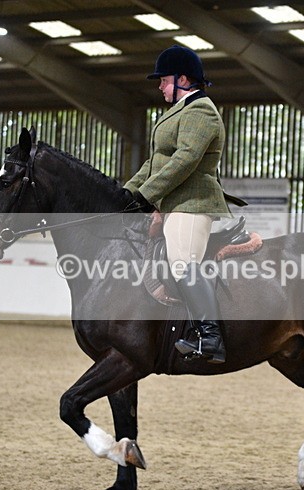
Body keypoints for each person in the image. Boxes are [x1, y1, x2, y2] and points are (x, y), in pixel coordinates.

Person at [121, 45, 230, 364]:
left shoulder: (202, 110)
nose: (159, 86)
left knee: (182, 262)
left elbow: (185, 160)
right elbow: (155, 163)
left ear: (184, 79)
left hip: (193, 201)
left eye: (164, 80)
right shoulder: (178, 111)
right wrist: (126, 195)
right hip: (174, 200)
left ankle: (211, 337)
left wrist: (147, 195)